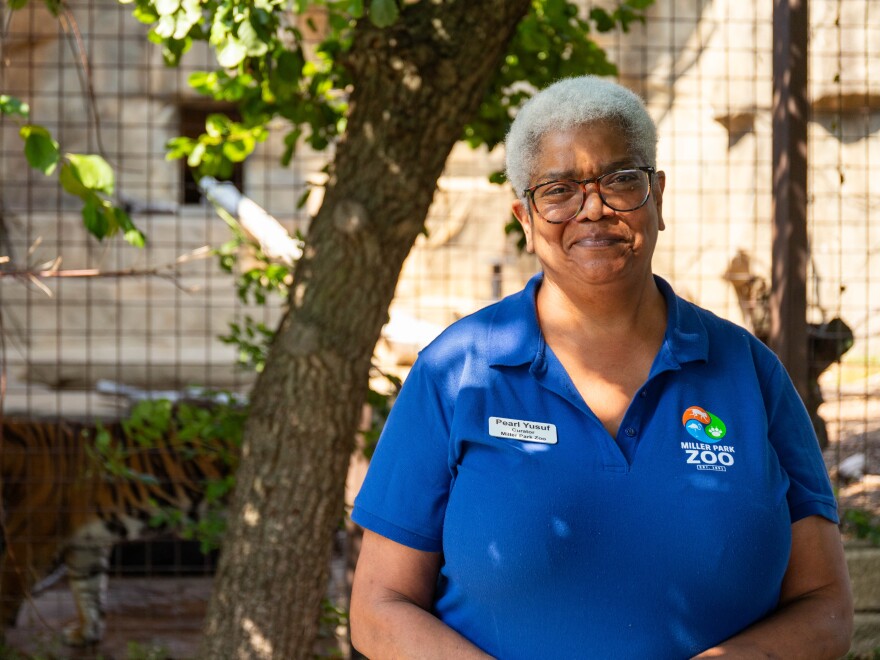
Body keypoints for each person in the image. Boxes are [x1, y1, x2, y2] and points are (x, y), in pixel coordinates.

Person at [349, 76, 853, 659]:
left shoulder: (749, 374)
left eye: (619, 180)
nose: (594, 208)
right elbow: (378, 606)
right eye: (559, 190)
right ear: (525, 218)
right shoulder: (458, 373)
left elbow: (827, 609)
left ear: (657, 197)